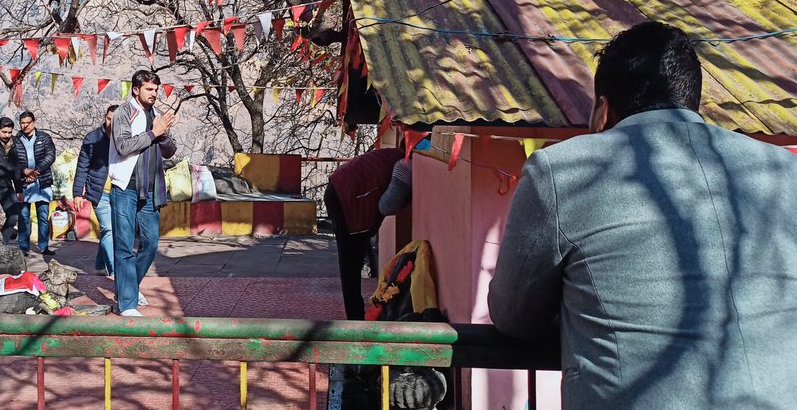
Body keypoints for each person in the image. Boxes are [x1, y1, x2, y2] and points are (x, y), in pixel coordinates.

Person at [489, 21, 797, 409]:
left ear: (602, 111)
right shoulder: (781, 170)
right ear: (691, 100)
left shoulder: (561, 170)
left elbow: (513, 316)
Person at [109, 70, 178, 316]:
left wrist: (164, 134)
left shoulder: (157, 115)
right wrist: (153, 133)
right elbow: (124, 145)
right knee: (124, 245)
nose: (154, 94)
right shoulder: (123, 113)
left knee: (150, 244)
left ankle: (128, 286)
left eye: (156, 90)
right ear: (136, 90)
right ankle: (127, 303)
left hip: (150, 190)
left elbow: (170, 151)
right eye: (149, 89)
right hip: (125, 188)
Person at [324, 148, 413, 321]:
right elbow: (388, 205)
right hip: (348, 198)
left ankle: (356, 314)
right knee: (350, 262)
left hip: (342, 191)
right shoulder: (405, 164)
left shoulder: (395, 156)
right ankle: (355, 318)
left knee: (352, 260)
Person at [74, 105, 118, 275]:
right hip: (99, 192)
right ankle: (114, 270)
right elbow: (82, 166)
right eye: (108, 119)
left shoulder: (124, 138)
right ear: (104, 117)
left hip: (120, 191)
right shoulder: (92, 139)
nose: (111, 123)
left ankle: (100, 263)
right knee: (108, 229)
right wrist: (78, 193)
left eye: (115, 120)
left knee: (111, 229)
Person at [13, 110, 57, 256]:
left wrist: (36, 171)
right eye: (22, 123)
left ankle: (44, 246)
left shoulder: (44, 138)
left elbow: (50, 156)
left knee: (43, 216)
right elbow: (12, 162)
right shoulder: (15, 140)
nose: (25, 126)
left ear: (33, 123)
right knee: (24, 217)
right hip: (23, 183)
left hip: (42, 183)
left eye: (28, 123)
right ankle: (23, 247)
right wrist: (24, 171)